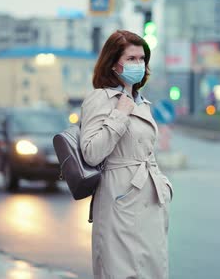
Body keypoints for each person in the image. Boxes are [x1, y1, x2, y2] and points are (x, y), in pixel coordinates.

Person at [80, 30, 174, 279]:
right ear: (113, 64)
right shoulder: (100, 99)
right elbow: (91, 153)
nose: (139, 65)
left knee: (152, 270)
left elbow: (146, 150)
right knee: (123, 271)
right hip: (120, 198)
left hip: (150, 199)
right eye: (131, 59)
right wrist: (119, 115)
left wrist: (164, 186)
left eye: (142, 59)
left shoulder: (141, 101)